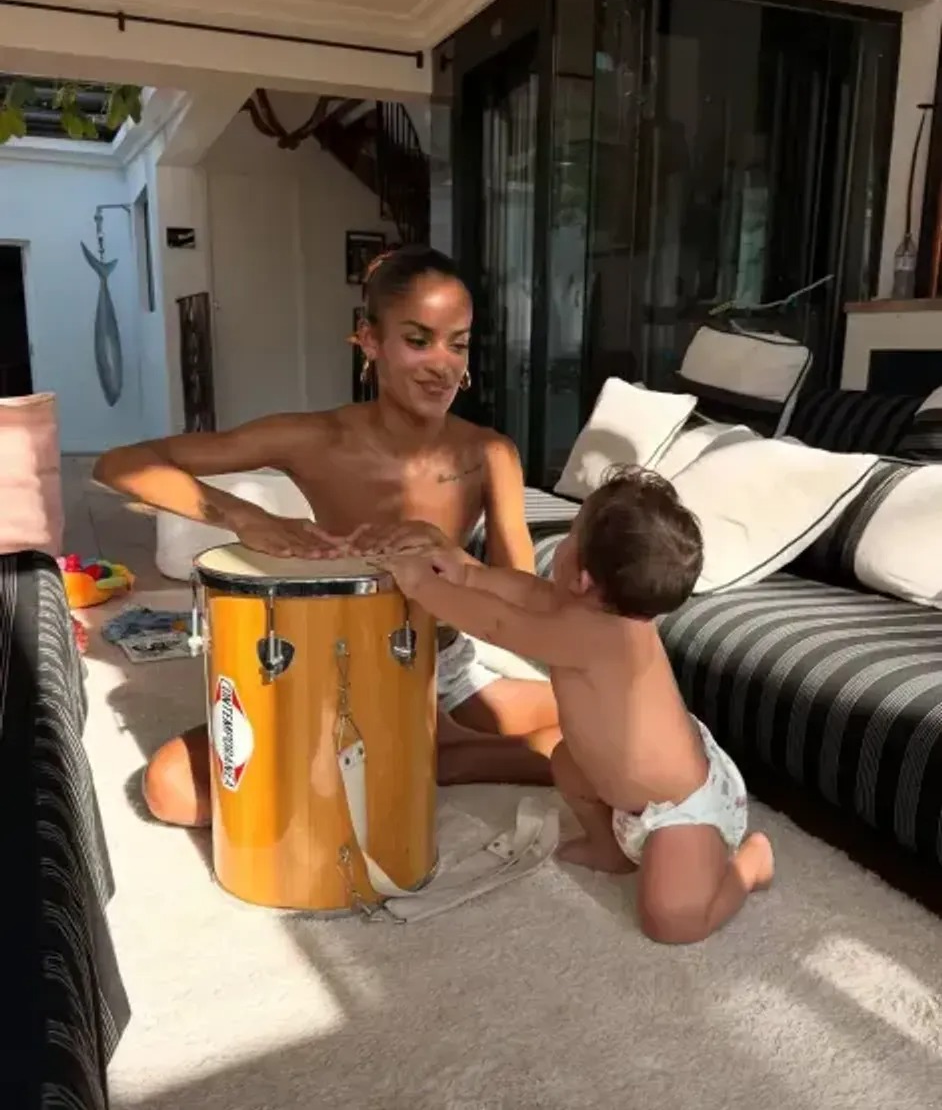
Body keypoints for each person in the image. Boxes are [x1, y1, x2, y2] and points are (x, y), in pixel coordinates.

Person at [93, 245, 560, 828]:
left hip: (446, 666)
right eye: (418, 340)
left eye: (458, 344)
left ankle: (432, 751)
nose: (442, 365)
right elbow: (121, 463)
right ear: (369, 340)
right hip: (339, 666)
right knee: (170, 788)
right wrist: (246, 517)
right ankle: (431, 754)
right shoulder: (315, 438)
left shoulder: (490, 453)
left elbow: (524, 600)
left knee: (607, 723)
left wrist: (454, 558)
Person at [383, 466, 774, 945]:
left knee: (671, 922)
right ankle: (609, 848)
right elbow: (522, 592)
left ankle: (750, 865)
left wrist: (425, 588)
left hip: (683, 809)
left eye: (572, 534)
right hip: (623, 789)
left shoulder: (606, 637)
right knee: (567, 760)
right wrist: (466, 572)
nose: (564, 541)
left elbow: (500, 625)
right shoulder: (584, 610)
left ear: (583, 577)